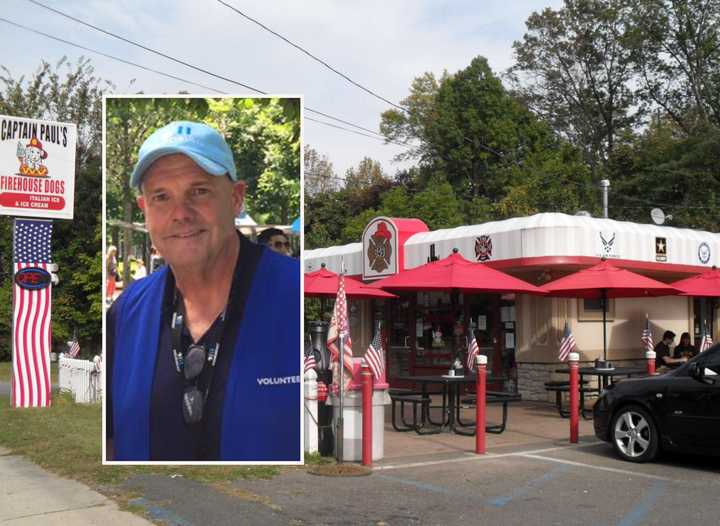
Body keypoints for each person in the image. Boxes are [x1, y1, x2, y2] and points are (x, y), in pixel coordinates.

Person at [106, 120, 300, 462]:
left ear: (236, 198)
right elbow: (112, 440)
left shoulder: (299, 294)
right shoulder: (125, 314)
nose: (180, 214)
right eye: (161, 197)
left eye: (199, 191)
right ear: (145, 211)